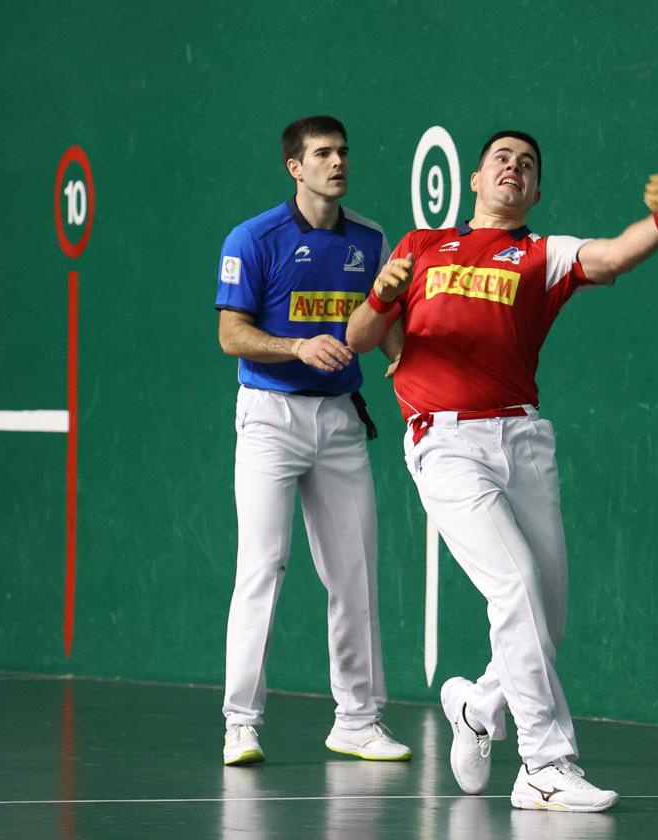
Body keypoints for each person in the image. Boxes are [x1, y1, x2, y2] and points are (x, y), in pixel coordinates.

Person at [346, 130, 658, 811]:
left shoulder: (541, 254)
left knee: (546, 614)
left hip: (523, 439)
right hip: (445, 444)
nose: (513, 167)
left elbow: (613, 256)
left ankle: (477, 705)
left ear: (536, 192)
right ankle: (544, 765)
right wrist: (383, 297)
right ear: (475, 180)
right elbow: (358, 339)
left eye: (527, 165)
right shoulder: (419, 246)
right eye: (501, 158)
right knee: (517, 586)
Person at [214, 115, 409, 766]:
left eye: (344, 152)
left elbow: (382, 322)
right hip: (270, 417)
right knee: (262, 568)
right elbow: (231, 334)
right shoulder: (253, 238)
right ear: (295, 167)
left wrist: (400, 356)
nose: (338, 162)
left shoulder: (370, 239)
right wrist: (297, 344)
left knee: (355, 573)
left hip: (341, 421)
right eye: (322, 154)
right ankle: (240, 723)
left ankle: (358, 720)